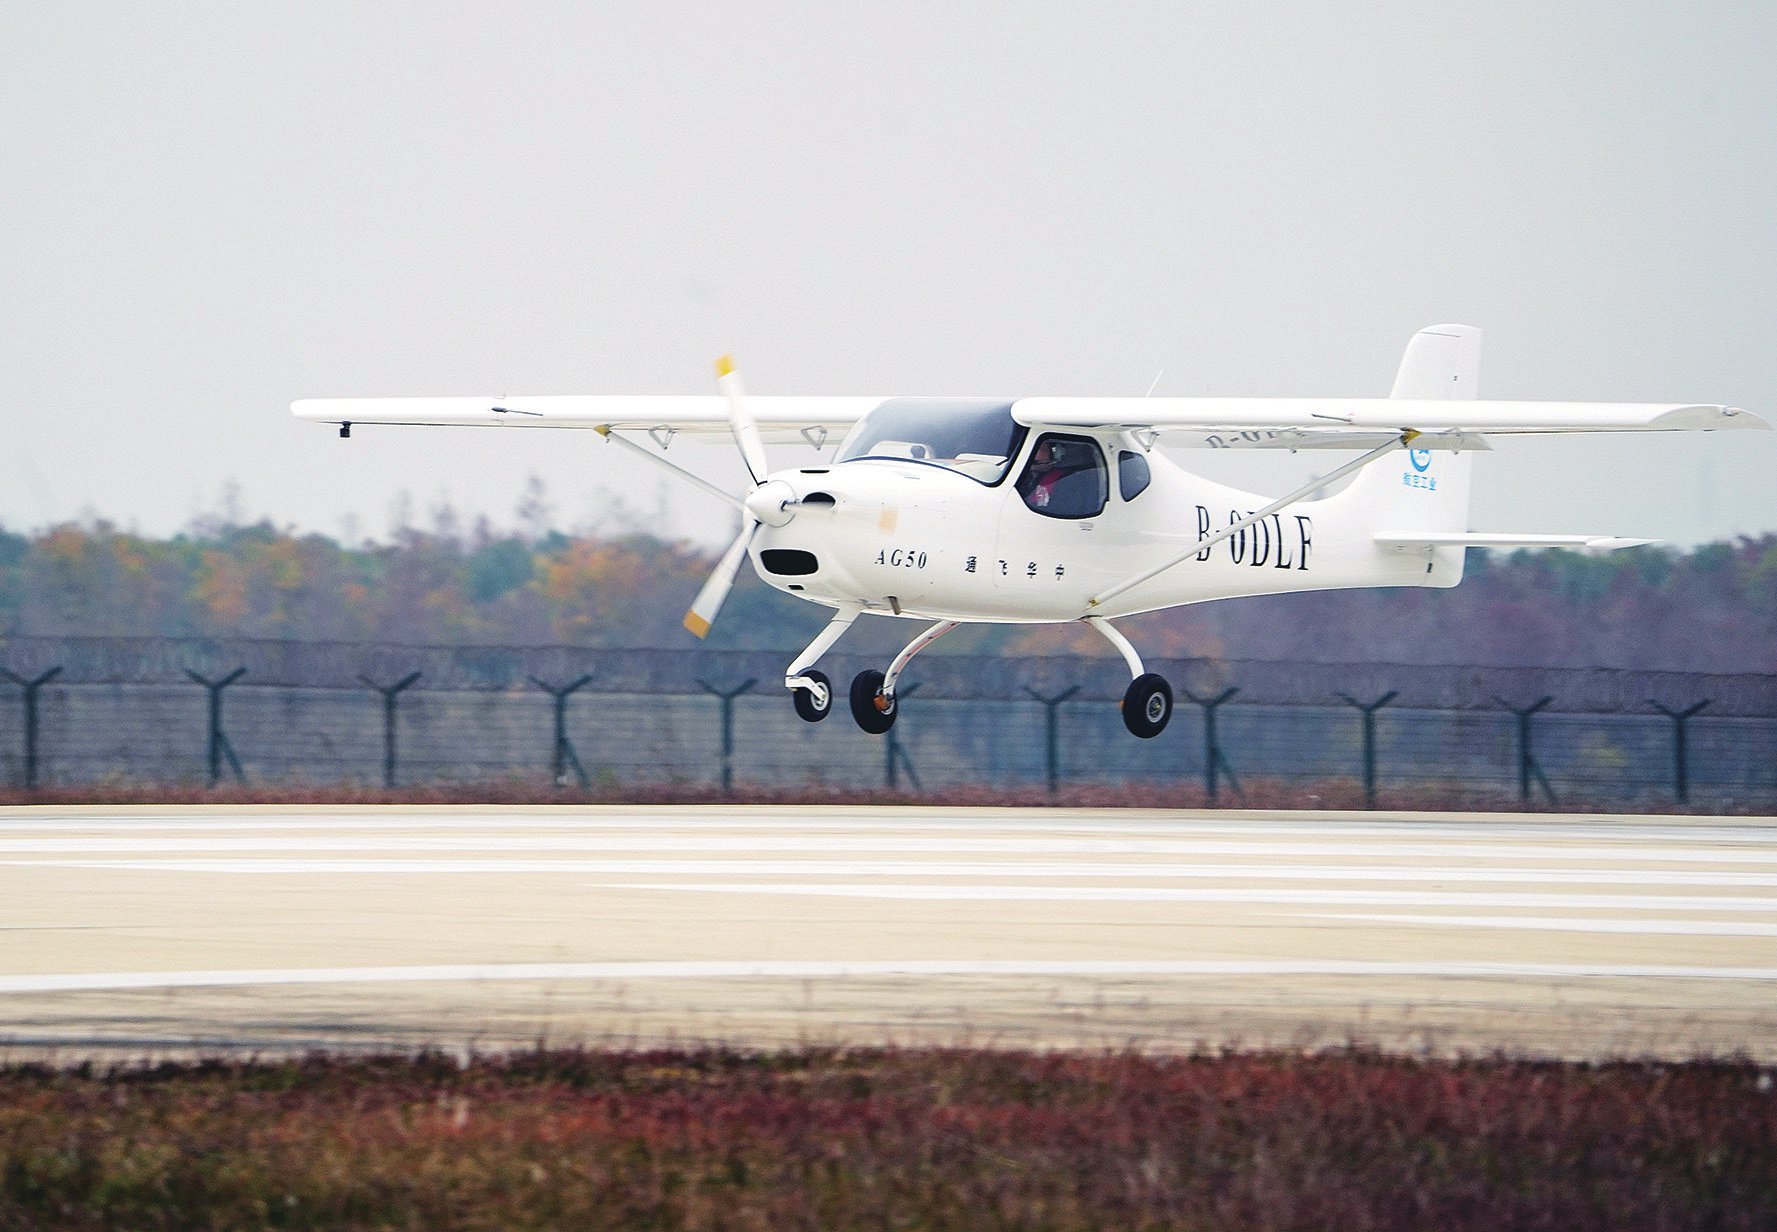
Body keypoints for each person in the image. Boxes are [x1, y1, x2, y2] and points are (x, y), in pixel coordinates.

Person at [1021, 440, 1068, 510]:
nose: (1030, 451)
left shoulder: (1063, 482)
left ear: (1055, 454)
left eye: (1040, 448)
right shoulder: (1019, 477)